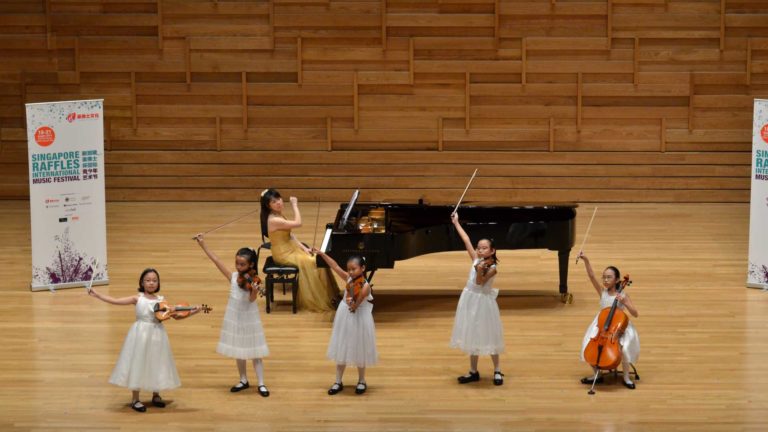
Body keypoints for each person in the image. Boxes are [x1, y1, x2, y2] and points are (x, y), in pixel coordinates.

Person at [88, 268, 202, 412]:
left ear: (158, 283)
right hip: (140, 334)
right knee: (138, 362)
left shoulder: (162, 301)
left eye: (154, 280)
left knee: (157, 362)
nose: (151, 283)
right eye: (148, 280)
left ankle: (156, 394)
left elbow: (177, 316)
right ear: (142, 282)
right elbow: (116, 301)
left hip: (157, 335)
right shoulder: (137, 298)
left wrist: (193, 311)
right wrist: (98, 295)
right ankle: (135, 399)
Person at [195, 234, 271, 396]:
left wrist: (255, 290)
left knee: (255, 352)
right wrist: (203, 244)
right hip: (235, 318)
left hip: (249, 319)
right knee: (238, 350)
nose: (238, 267)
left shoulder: (254, 281)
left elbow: (251, 300)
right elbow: (216, 260)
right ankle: (243, 379)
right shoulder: (233, 277)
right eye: (237, 263)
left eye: (242, 264)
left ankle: (261, 383)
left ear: (251, 264)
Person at [449, 212, 506, 386]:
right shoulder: (476, 259)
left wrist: (480, 270)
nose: (480, 250)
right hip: (469, 300)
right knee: (472, 333)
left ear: (492, 251)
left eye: (484, 248)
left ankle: (497, 370)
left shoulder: (492, 268)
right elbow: (466, 239)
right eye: (479, 248)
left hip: (483, 303)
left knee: (489, 335)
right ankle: (473, 371)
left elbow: (479, 282)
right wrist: (456, 223)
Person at [260, 188, 339, 312]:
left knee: (318, 258)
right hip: (283, 254)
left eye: (279, 199)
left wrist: (304, 248)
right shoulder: (274, 220)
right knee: (314, 262)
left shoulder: (278, 215)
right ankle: (318, 298)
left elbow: (290, 235)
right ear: (268, 205)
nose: (279, 202)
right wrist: (295, 205)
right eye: (274, 202)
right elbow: (298, 223)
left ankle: (328, 295)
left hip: (290, 248)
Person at [314, 249, 378, 395]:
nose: (350, 272)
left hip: (359, 316)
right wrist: (322, 254)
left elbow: (356, 304)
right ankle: (338, 381)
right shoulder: (349, 278)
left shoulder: (365, 286)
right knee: (342, 345)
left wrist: (352, 303)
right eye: (349, 269)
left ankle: (362, 380)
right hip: (345, 315)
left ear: (363, 268)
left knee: (360, 347)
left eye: (353, 269)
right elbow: (335, 266)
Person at [578, 251, 640, 389]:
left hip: (619, 327)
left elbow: (635, 313)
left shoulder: (623, 295)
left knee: (624, 348)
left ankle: (626, 377)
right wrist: (586, 260)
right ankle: (597, 374)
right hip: (602, 325)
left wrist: (625, 302)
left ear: (617, 280)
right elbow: (591, 276)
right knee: (587, 344)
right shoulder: (602, 292)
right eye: (604, 277)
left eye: (609, 277)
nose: (605, 280)